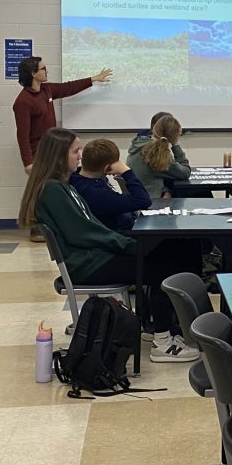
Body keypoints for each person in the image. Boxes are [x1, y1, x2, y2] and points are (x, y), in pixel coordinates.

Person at [18, 128, 198, 363]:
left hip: (92, 257)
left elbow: (90, 228)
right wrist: (130, 245)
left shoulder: (61, 186)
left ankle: (160, 329)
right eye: (75, 151)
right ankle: (162, 342)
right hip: (89, 264)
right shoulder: (53, 191)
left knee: (170, 252)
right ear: (59, 155)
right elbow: (84, 234)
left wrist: (129, 243)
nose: (80, 156)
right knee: (162, 266)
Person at [12, 56, 112, 173]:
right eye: (43, 68)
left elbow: (68, 87)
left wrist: (93, 79)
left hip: (53, 149)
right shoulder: (23, 101)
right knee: (45, 186)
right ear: (33, 73)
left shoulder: (46, 89)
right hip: (39, 154)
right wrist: (28, 163)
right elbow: (22, 136)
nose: (47, 71)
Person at [69, 138, 152, 233]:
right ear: (107, 168)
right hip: (121, 238)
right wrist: (126, 171)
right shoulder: (97, 193)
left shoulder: (77, 179)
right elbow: (143, 201)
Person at [126, 114, 192, 200]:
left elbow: (152, 175)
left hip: (138, 197)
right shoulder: (155, 153)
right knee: (201, 194)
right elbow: (185, 172)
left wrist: (166, 190)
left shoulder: (140, 145)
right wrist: (175, 144)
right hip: (151, 201)